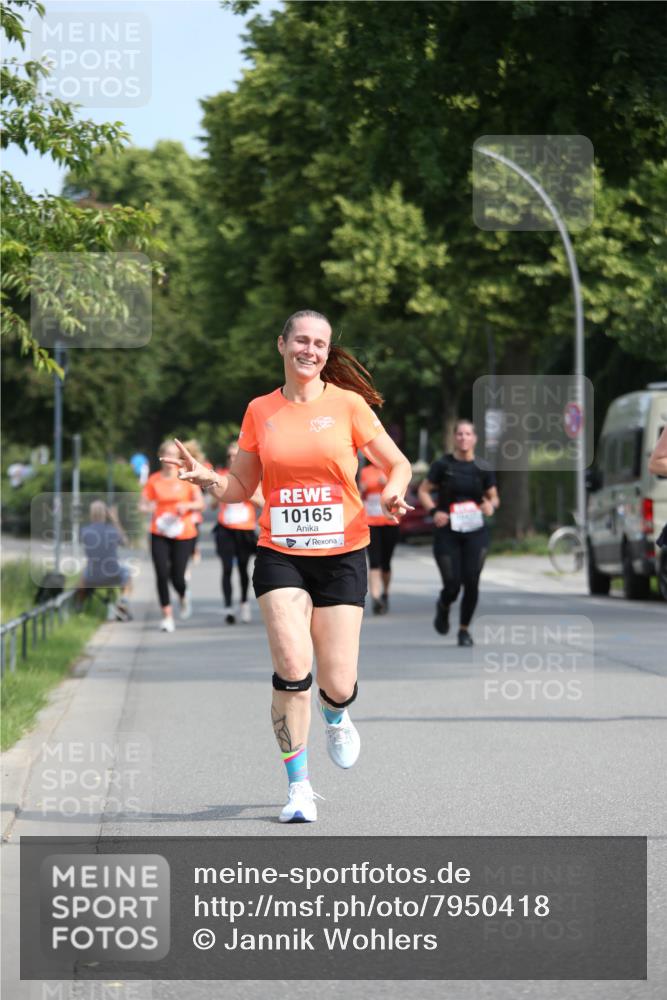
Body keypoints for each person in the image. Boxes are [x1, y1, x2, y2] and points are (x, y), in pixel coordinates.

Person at [164, 309, 413, 823]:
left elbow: (398, 464)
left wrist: (392, 491)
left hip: (343, 551)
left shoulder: (349, 406)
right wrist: (206, 477)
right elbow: (240, 489)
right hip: (281, 551)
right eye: (301, 340)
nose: (311, 350)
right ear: (281, 345)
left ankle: (337, 713)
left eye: (320, 343)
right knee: (292, 669)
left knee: (337, 681)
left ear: (326, 352)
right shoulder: (260, 411)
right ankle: (299, 787)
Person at [418, 420, 499, 646]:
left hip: (475, 531)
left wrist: (490, 505)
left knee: (471, 580)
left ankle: (464, 630)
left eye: (468, 434)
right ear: (455, 438)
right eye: (460, 434)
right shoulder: (443, 465)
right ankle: (444, 605)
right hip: (448, 531)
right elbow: (424, 491)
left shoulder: (482, 467)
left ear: (475, 439)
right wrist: (434, 511)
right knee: (452, 584)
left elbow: (494, 496)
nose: (464, 438)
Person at [140, 441, 204, 632]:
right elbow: (141, 505)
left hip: (183, 532)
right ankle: (167, 617)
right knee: (161, 574)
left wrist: (187, 506)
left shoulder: (186, 477)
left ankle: (183, 596)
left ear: (178, 458)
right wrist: (148, 507)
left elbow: (200, 504)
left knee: (177, 577)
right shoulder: (154, 480)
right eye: (166, 454)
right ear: (161, 456)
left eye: (173, 455)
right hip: (159, 531)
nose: (169, 459)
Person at [213, 440, 263, 624]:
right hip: (225, 528)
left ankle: (243, 603)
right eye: (229, 456)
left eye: (236, 455)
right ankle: (228, 607)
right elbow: (211, 504)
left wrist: (244, 492)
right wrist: (217, 493)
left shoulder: (252, 475)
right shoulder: (221, 476)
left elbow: (261, 501)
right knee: (226, 568)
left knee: (243, 568)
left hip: (245, 529)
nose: (232, 458)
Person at [77, 500, 133, 619]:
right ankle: (123, 600)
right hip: (114, 574)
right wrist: (115, 520)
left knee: (82, 576)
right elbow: (125, 542)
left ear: (90, 514)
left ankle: (79, 606)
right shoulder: (113, 530)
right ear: (106, 514)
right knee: (127, 575)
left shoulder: (84, 531)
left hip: (92, 576)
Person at [359, 458, 401, 614]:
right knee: (374, 561)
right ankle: (376, 598)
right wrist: (361, 488)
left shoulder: (393, 469)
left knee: (386, 562)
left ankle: (385, 593)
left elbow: (403, 493)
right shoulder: (365, 472)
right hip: (371, 521)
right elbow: (358, 494)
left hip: (390, 521)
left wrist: (389, 485)